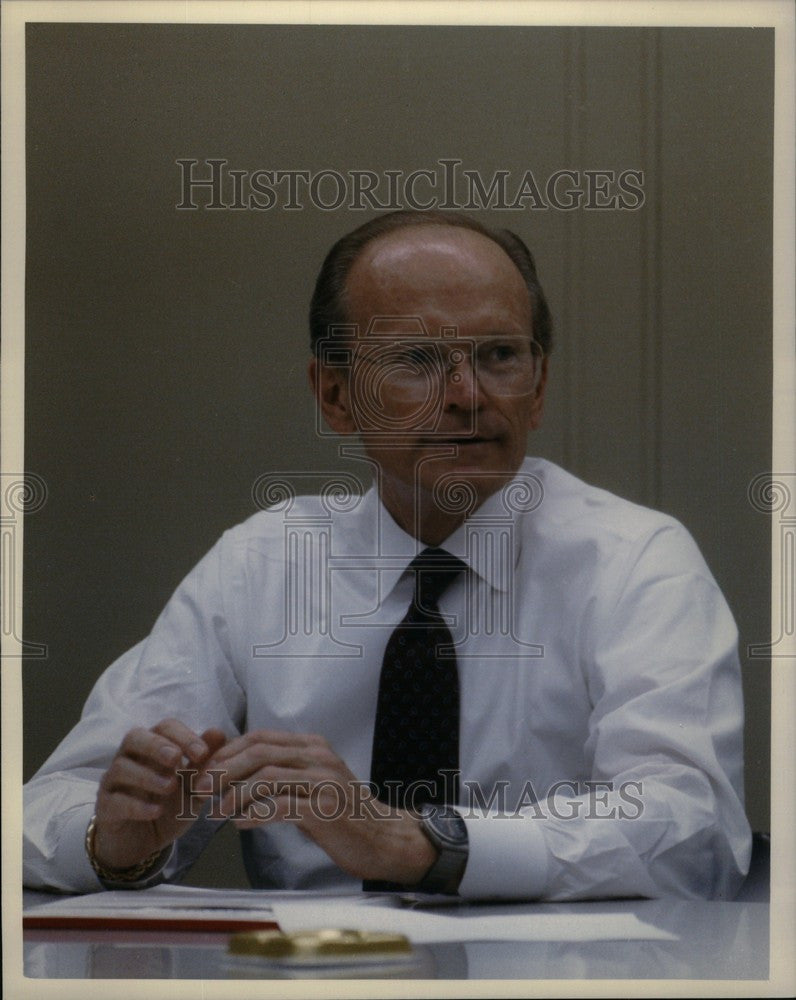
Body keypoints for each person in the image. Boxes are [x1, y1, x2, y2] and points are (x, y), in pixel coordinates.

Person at [23, 210, 751, 900]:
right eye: (416, 359)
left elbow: (694, 830)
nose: (467, 395)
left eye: (499, 355)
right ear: (335, 396)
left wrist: (423, 845)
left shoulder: (635, 560)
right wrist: (114, 845)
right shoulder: (263, 566)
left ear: (537, 388)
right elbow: (45, 812)